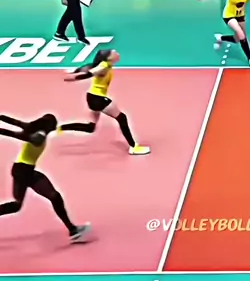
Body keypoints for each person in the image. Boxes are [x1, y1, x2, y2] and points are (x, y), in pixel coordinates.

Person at [0, 113, 90, 242]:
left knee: (17, 205)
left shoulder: (31, 128)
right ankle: (73, 230)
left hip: (20, 170)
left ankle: (73, 230)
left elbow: (14, 122)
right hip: (25, 172)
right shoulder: (39, 137)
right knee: (55, 197)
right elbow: (15, 134)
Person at [59, 49, 150, 155]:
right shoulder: (104, 66)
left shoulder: (105, 64)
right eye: (113, 52)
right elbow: (90, 73)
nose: (117, 53)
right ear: (108, 58)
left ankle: (60, 128)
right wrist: (75, 78)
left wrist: (75, 70)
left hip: (92, 97)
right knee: (122, 118)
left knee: (90, 127)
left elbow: (89, 66)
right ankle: (133, 147)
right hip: (98, 98)